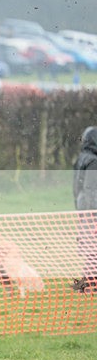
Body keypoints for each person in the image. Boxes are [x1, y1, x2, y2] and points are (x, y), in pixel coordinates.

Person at [73, 125, 97, 292]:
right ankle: (87, 284)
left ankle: (86, 284)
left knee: (91, 249)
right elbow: (90, 189)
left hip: (82, 206)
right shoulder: (93, 161)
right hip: (91, 208)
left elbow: (77, 188)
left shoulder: (82, 157)